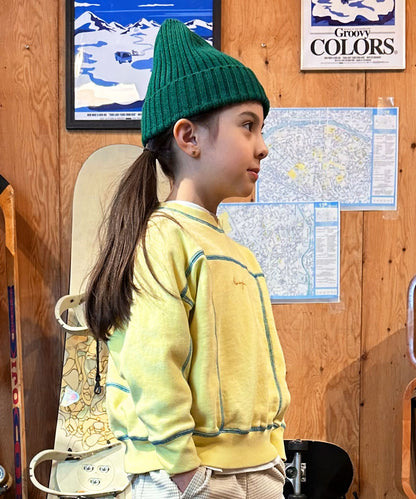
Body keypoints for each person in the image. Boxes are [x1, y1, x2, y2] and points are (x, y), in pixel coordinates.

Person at [85, 18, 290, 499]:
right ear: (189, 136)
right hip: (188, 476)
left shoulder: (237, 253)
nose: (263, 147)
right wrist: (184, 473)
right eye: (247, 125)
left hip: (255, 469)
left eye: (261, 129)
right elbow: (152, 364)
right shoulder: (163, 239)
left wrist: (273, 457)